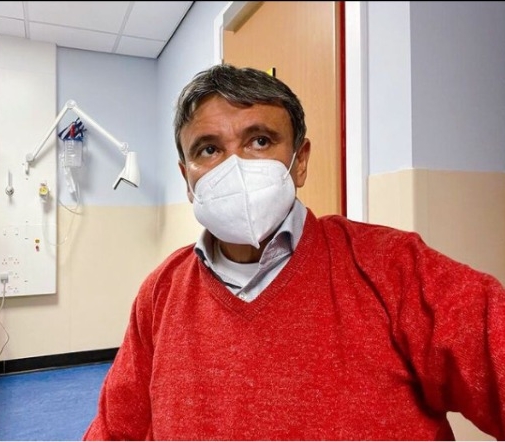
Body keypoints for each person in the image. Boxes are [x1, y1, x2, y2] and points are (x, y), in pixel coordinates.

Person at [83, 64, 505, 441]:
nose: (234, 166)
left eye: (260, 141)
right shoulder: (162, 292)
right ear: (187, 179)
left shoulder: (393, 267)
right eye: (208, 149)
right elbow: (117, 428)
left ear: (299, 162)